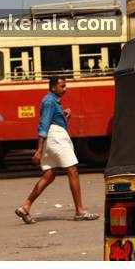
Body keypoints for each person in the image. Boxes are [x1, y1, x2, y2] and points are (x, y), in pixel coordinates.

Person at [15, 77, 99, 224]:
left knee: (50, 174)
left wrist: (63, 114)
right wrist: (39, 150)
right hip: (56, 138)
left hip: (54, 138)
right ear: (53, 87)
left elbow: (51, 120)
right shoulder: (49, 101)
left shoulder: (52, 101)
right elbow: (44, 125)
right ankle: (80, 211)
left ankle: (25, 206)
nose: (65, 89)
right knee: (72, 170)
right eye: (62, 86)